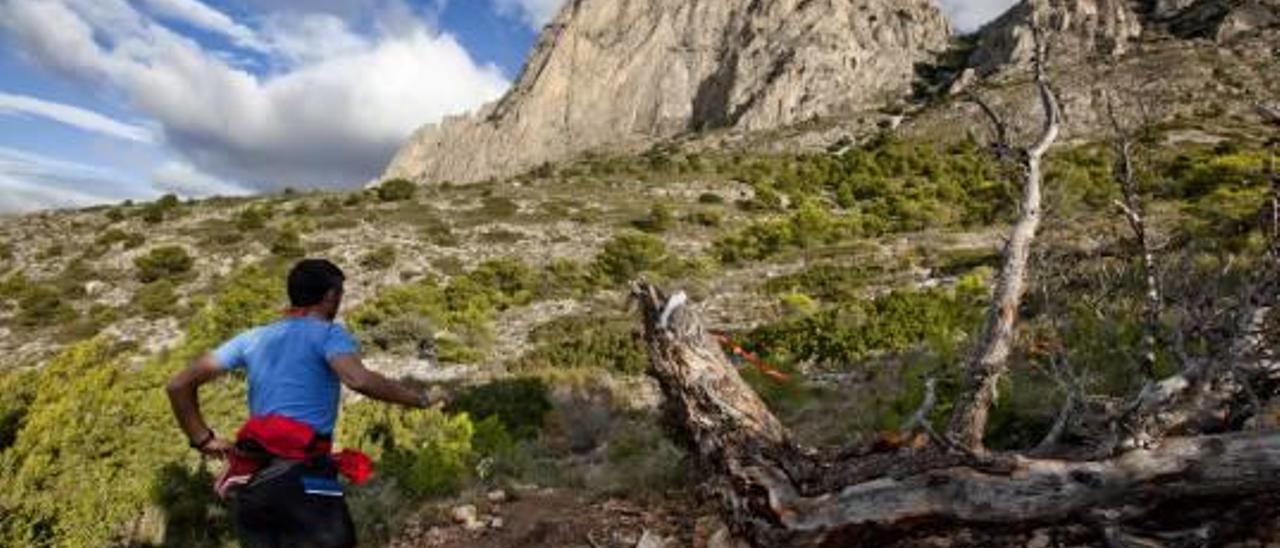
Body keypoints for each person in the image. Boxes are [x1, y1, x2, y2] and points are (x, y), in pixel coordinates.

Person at [166, 258, 446, 548]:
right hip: (308, 475)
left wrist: (203, 440)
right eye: (339, 295)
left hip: (254, 482)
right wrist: (419, 400)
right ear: (330, 296)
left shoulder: (253, 338)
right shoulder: (328, 333)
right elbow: (358, 380)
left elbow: (178, 385)